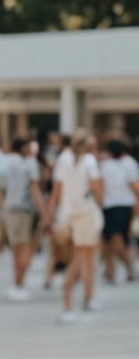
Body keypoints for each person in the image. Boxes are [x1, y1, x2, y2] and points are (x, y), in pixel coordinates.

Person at [45, 128, 104, 323]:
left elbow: (56, 192)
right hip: (86, 215)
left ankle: (88, 297)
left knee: (82, 259)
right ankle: (68, 302)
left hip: (67, 216)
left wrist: (49, 216)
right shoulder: (89, 162)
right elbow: (96, 189)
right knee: (82, 258)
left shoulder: (63, 160)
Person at [0, 137, 44, 301]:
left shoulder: (6, 162)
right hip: (24, 210)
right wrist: (44, 212)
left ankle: (16, 283)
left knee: (15, 249)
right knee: (25, 248)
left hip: (9, 209)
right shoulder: (30, 164)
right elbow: (34, 189)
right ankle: (19, 283)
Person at [99, 139, 138, 284]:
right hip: (108, 206)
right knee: (107, 241)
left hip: (123, 205)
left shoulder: (128, 163)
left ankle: (128, 266)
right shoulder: (105, 165)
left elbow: (134, 185)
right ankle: (110, 271)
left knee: (118, 240)